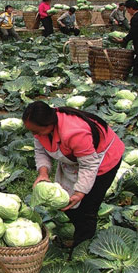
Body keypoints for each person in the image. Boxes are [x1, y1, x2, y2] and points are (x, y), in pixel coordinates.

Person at [23, 101, 124, 249]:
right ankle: (79, 231)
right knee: (68, 202)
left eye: (36, 131)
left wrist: (80, 192)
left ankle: (82, 247)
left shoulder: (74, 133)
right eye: (32, 131)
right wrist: (43, 173)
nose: (34, 135)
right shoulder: (40, 129)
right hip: (76, 160)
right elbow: (41, 151)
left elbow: (89, 165)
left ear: (49, 125)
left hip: (103, 160)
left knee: (87, 207)